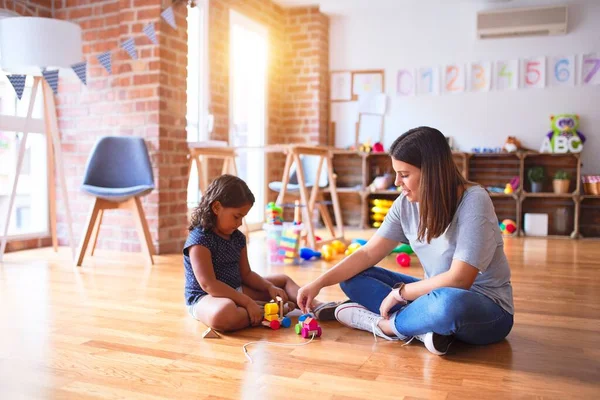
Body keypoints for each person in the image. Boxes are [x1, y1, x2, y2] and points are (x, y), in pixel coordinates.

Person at [296, 127, 514, 355]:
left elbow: (460, 280)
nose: (397, 181)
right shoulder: (405, 204)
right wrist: (319, 282)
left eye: (405, 174)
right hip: (432, 296)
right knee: (352, 278)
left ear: (431, 172)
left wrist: (400, 293)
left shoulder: (474, 200)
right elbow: (368, 253)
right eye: (396, 173)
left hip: (487, 309)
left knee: (447, 304)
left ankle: (386, 326)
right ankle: (422, 328)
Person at [184, 174, 337, 332]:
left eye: (242, 217)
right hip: (206, 298)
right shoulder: (199, 240)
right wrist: (247, 302)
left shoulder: (238, 238)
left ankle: (317, 306)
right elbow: (209, 284)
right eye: (236, 216)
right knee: (224, 314)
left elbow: (247, 275)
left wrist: (268, 286)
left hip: (237, 290)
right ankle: (273, 311)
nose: (239, 223)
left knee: (282, 281)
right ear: (216, 208)